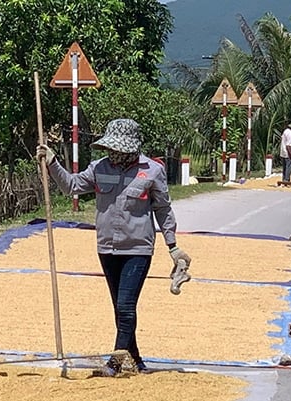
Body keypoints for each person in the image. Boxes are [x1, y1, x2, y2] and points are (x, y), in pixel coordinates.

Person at [36, 118, 191, 376]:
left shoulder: (152, 171)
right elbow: (71, 186)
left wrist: (172, 247)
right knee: (120, 308)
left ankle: (115, 364)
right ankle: (136, 360)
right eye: (110, 149)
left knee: (126, 306)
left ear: (131, 149)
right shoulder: (99, 168)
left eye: (118, 150)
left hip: (138, 249)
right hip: (107, 248)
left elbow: (162, 210)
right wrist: (52, 162)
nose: (113, 154)